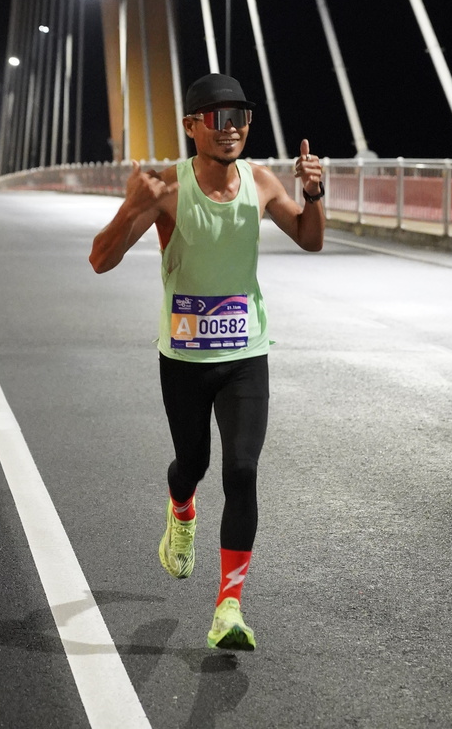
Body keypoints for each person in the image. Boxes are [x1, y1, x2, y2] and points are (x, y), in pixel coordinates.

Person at [89, 73, 324, 651]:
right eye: (218, 119)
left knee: (242, 470)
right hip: (185, 359)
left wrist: (314, 195)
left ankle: (229, 606)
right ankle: (181, 509)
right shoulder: (168, 190)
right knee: (191, 463)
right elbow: (100, 259)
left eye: (240, 117)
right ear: (191, 126)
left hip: (246, 355)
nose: (231, 129)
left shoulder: (261, 182)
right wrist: (131, 207)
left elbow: (310, 238)